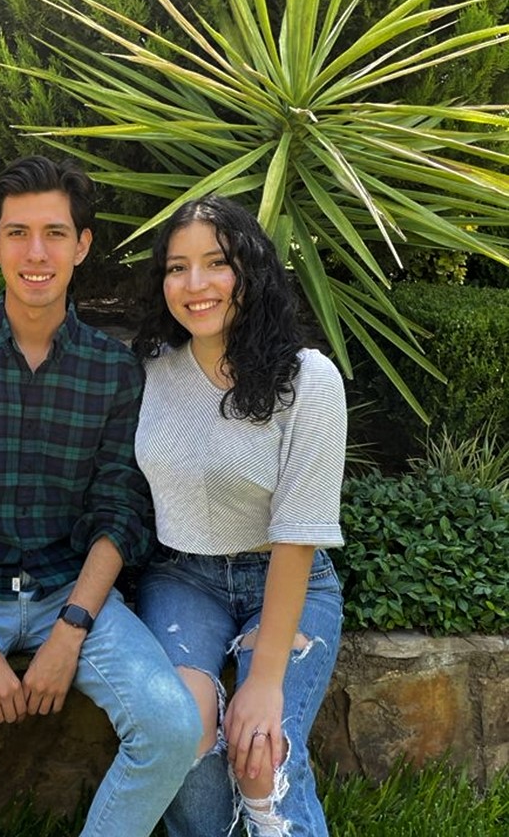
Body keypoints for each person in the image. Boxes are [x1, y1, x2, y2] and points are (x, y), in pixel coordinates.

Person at [0, 155, 202, 837]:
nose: (36, 253)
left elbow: (120, 511)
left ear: (81, 245)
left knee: (172, 727)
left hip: (71, 593)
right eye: (17, 233)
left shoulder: (113, 369)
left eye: (54, 233)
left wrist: (70, 631)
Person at [133, 197, 346, 837]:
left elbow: (299, 536)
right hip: (181, 576)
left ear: (250, 271)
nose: (194, 284)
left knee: (262, 750)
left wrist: (266, 682)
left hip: (285, 577)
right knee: (184, 727)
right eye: (177, 267)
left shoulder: (309, 380)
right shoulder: (149, 370)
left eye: (216, 263)